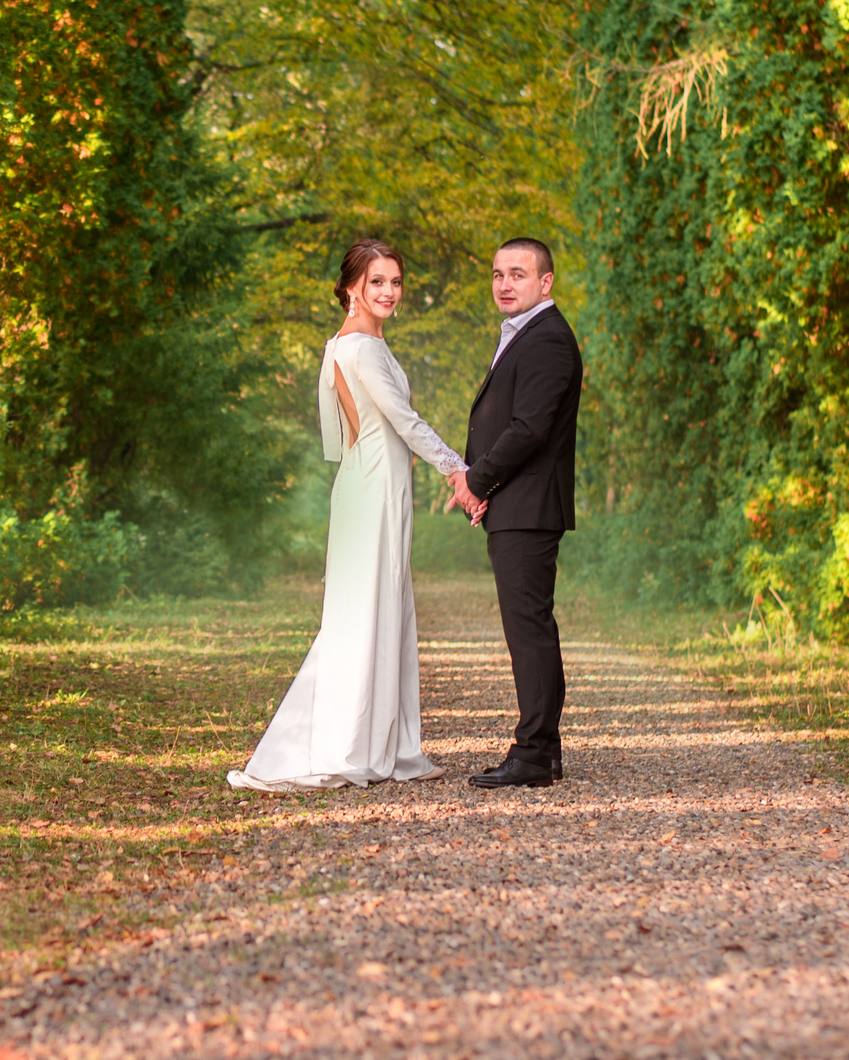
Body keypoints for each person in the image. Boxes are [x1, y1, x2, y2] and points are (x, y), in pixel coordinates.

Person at [228, 239, 468, 791]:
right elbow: (404, 422)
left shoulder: (344, 344)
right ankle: (343, 747)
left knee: (382, 609)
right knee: (363, 615)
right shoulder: (359, 348)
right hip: (373, 488)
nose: (389, 292)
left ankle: (387, 745)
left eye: (396, 282)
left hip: (369, 482)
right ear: (351, 288)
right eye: (377, 281)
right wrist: (457, 469)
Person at [444, 237, 583, 790]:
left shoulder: (547, 340)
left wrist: (476, 481)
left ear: (545, 283)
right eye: (498, 274)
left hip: (528, 506)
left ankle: (530, 752)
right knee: (531, 627)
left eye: (518, 274)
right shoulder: (528, 334)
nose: (505, 284)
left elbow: (530, 429)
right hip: (516, 503)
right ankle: (544, 750)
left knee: (527, 630)